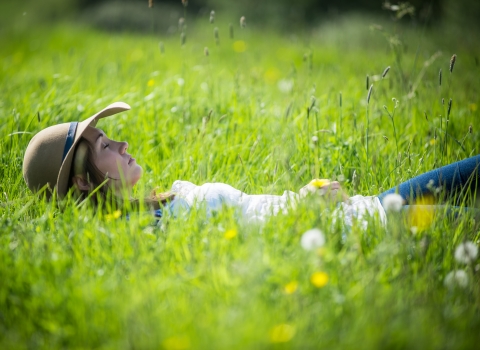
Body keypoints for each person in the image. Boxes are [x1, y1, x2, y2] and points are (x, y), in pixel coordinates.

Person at [23, 102, 480, 228]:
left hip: (369, 206)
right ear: (83, 181)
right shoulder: (154, 234)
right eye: (104, 144)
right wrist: (305, 204)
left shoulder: (157, 210)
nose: (122, 142)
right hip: (376, 226)